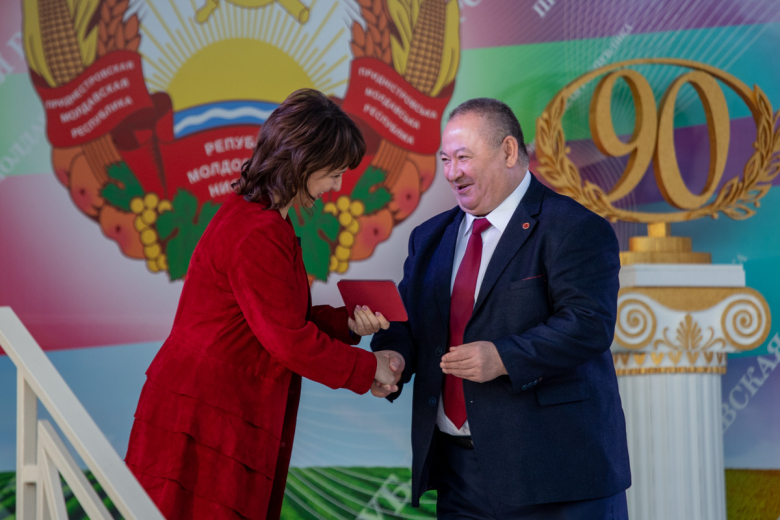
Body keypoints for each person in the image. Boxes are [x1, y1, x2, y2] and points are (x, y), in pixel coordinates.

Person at [125, 89, 401, 520]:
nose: (335, 187)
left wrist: (346, 324)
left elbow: (273, 316)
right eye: (332, 174)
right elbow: (287, 340)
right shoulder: (260, 230)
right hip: (205, 412)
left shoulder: (257, 215)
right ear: (303, 161)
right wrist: (369, 369)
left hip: (212, 405)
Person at [370, 98, 630, 519]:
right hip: (459, 475)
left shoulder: (574, 227)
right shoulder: (429, 237)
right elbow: (410, 322)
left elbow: (588, 324)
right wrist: (394, 355)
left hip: (557, 476)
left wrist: (503, 357)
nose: (452, 173)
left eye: (463, 158)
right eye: (445, 160)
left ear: (508, 151)